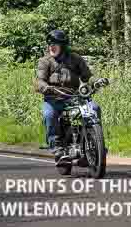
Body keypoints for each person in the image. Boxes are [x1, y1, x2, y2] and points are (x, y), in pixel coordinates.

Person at [35, 29, 101, 165]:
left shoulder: (75, 59)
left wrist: (97, 81)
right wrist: (45, 87)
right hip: (54, 99)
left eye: (55, 44)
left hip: (74, 97)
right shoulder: (45, 61)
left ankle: (95, 142)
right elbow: (39, 80)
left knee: (94, 107)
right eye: (50, 44)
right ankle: (57, 147)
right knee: (49, 114)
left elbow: (87, 77)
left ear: (63, 45)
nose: (51, 47)